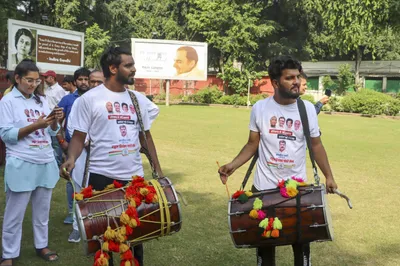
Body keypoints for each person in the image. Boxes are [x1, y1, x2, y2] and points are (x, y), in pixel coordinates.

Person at [218, 55, 338, 266]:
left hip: (297, 190)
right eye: (290, 78)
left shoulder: (307, 109)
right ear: (275, 82)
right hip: (264, 189)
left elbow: (316, 145)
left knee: (301, 251)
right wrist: (232, 166)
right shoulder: (260, 108)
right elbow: (252, 144)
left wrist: (329, 176)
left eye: (298, 77)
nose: (297, 82)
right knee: (265, 252)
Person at [60, 46, 164, 266]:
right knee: (103, 237)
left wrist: (157, 168)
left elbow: (146, 136)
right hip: (101, 178)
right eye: (129, 65)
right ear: (113, 68)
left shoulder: (137, 99)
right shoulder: (89, 100)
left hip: (134, 178)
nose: (134, 69)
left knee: (135, 237)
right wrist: (71, 159)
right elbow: (78, 137)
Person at [0, 59, 63, 266]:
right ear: (17, 78)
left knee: (42, 211)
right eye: (29, 80)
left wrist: (54, 121)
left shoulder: (41, 100)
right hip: (21, 162)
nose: (33, 84)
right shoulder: (7, 101)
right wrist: (35, 125)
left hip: (44, 160)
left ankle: (41, 245)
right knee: (14, 214)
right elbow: (6, 135)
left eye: (37, 81)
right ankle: (8, 254)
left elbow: (51, 132)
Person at [57, 67, 91, 228]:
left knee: (91, 182)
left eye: (86, 79)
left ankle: (91, 216)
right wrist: (62, 142)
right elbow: (55, 121)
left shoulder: (95, 98)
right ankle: (73, 215)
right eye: (81, 79)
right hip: (73, 148)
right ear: (75, 81)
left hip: (93, 148)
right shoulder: (68, 100)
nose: (84, 82)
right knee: (73, 182)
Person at [42, 70, 66, 166]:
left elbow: (62, 106)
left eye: (46, 77)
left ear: (52, 78)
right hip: (47, 119)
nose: (45, 79)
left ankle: (57, 164)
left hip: (56, 120)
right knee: (49, 142)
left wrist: (58, 119)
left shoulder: (59, 90)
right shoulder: (47, 89)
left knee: (56, 143)